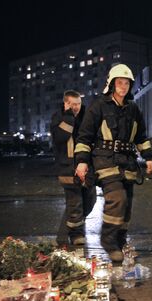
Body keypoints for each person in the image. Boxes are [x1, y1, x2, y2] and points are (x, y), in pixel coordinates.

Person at [74, 64, 152, 262]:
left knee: (126, 205)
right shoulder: (98, 106)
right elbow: (84, 137)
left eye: (126, 83)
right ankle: (108, 240)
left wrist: (150, 157)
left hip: (127, 162)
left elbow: (142, 137)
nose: (123, 86)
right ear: (111, 84)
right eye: (119, 82)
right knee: (117, 198)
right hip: (104, 160)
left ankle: (120, 240)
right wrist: (82, 162)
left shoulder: (133, 109)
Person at [50, 90, 96, 246]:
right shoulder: (59, 117)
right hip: (67, 167)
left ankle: (63, 235)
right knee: (74, 203)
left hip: (86, 166)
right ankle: (75, 236)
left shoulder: (86, 116)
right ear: (66, 103)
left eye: (78, 104)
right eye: (73, 104)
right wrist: (69, 116)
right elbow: (61, 137)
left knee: (90, 200)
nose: (77, 107)